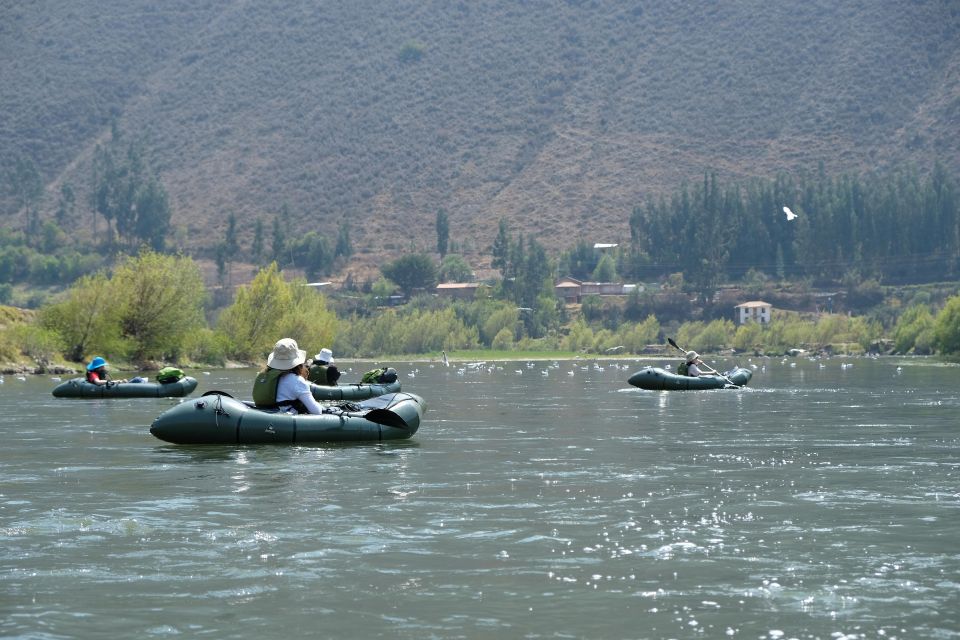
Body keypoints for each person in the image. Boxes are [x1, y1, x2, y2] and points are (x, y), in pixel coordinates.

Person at [252, 338, 323, 414]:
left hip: (263, 417)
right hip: (284, 421)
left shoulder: (262, 375)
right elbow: (317, 411)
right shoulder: (297, 381)